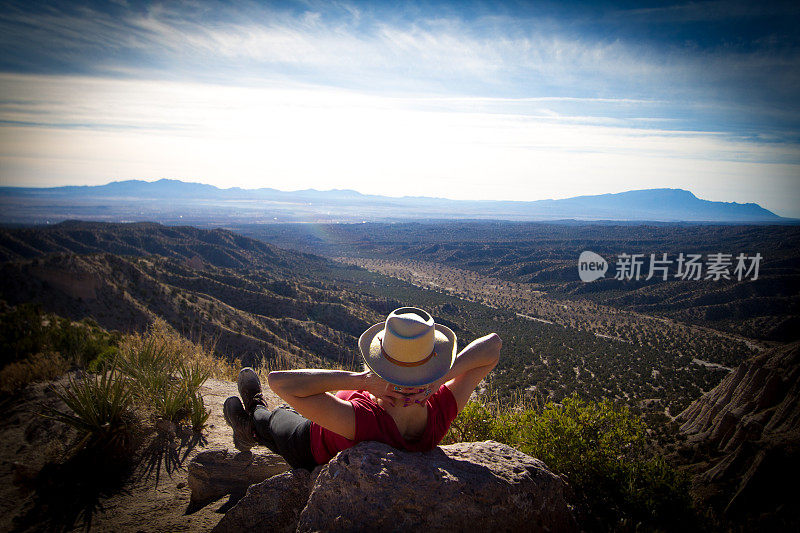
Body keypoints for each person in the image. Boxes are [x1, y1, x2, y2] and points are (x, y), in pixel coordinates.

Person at [223, 306, 501, 470]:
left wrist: (362, 381)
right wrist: (440, 378)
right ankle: (254, 422)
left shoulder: (365, 421)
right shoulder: (439, 408)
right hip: (325, 412)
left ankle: (251, 424)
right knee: (285, 411)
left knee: (272, 419)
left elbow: (279, 382)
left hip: (308, 442)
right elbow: (493, 345)